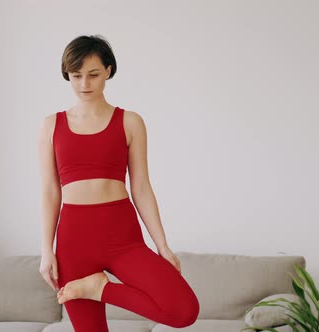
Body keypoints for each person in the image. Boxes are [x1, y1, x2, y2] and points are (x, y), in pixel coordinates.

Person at [37, 34, 200, 332]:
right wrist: (46, 250)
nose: (84, 84)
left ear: (109, 71)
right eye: (76, 76)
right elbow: (50, 191)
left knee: (183, 310)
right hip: (74, 242)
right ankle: (92, 287)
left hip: (123, 238)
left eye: (93, 75)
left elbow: (141, 187)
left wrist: (162, 245)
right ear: (67, 76)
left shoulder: (130, 121)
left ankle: (98, 288)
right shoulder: (51, 125)